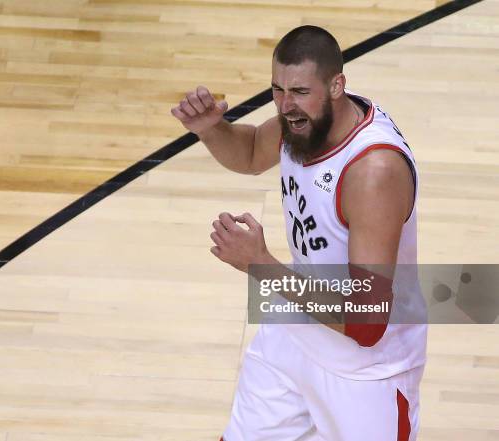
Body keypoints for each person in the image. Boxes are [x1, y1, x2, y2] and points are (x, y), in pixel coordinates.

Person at [171, 25, 427, 441]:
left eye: (300, 92)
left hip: (365, 372)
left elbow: (367, 323)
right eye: (277, 90)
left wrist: (261, 266)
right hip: (294, 333)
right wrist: (210, 129)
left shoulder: (373, 173)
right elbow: (253, 152)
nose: (286, 106)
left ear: (337, 85)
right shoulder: (304, 119)